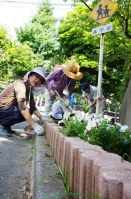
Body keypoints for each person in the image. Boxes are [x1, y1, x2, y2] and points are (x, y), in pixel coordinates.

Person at [0, 67, 47, 137]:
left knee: (30, 111)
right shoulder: (20, 85)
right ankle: (1, 125)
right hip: (1, 109)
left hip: (5, 111)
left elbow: (33, 107)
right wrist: (35, 125)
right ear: (29, 76)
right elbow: (22, 107)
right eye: (37, 76)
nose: (38, 80)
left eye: (40, 79)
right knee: (22, 110)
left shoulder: (29, 90)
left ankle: (6, 126)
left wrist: (42, 118)